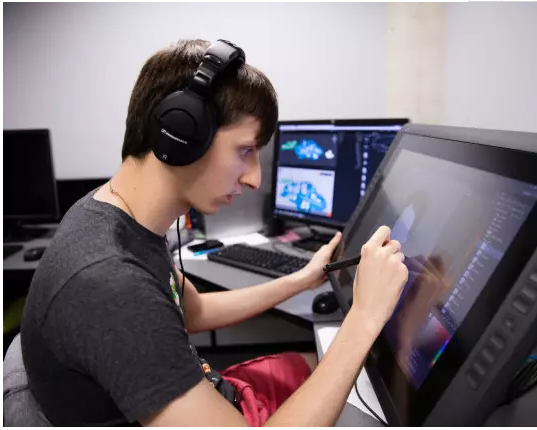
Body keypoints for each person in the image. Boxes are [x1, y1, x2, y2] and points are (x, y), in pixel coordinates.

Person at [20, 38, 409, 426]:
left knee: (322, 366)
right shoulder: (111, 285)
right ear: (181, 134)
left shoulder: (114, 217)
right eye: (245, 150)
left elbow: (195, 310)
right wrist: (365, 317)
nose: (255, 179)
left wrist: (301, 280)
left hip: (217, 393)